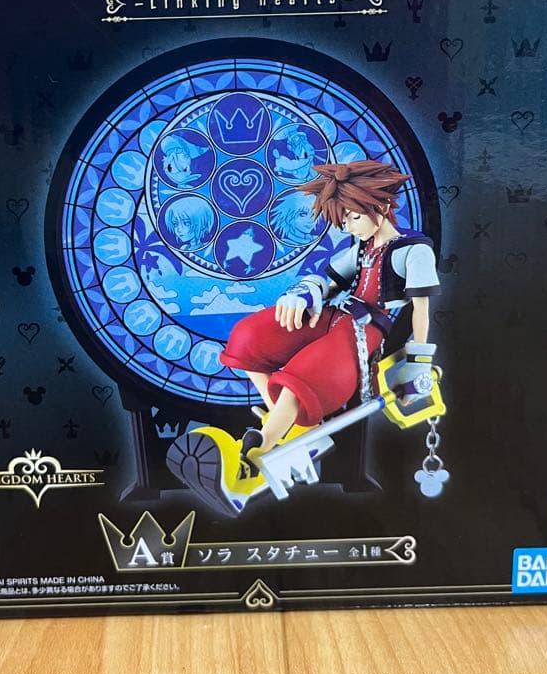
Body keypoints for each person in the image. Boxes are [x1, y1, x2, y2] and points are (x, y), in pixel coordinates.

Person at [167, 159, 440, 515]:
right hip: (334, 315)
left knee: (307, 375)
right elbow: (328, 282)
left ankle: (252, 459)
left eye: (353, 217)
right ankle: (289, 426)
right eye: (343, 220)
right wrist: (305, 293)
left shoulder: (414, 251)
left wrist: (419, 361)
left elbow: (421, 309)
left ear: (382, 206)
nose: (348, 227)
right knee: (249, 337)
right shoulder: (362, 248)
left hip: (366, 332)